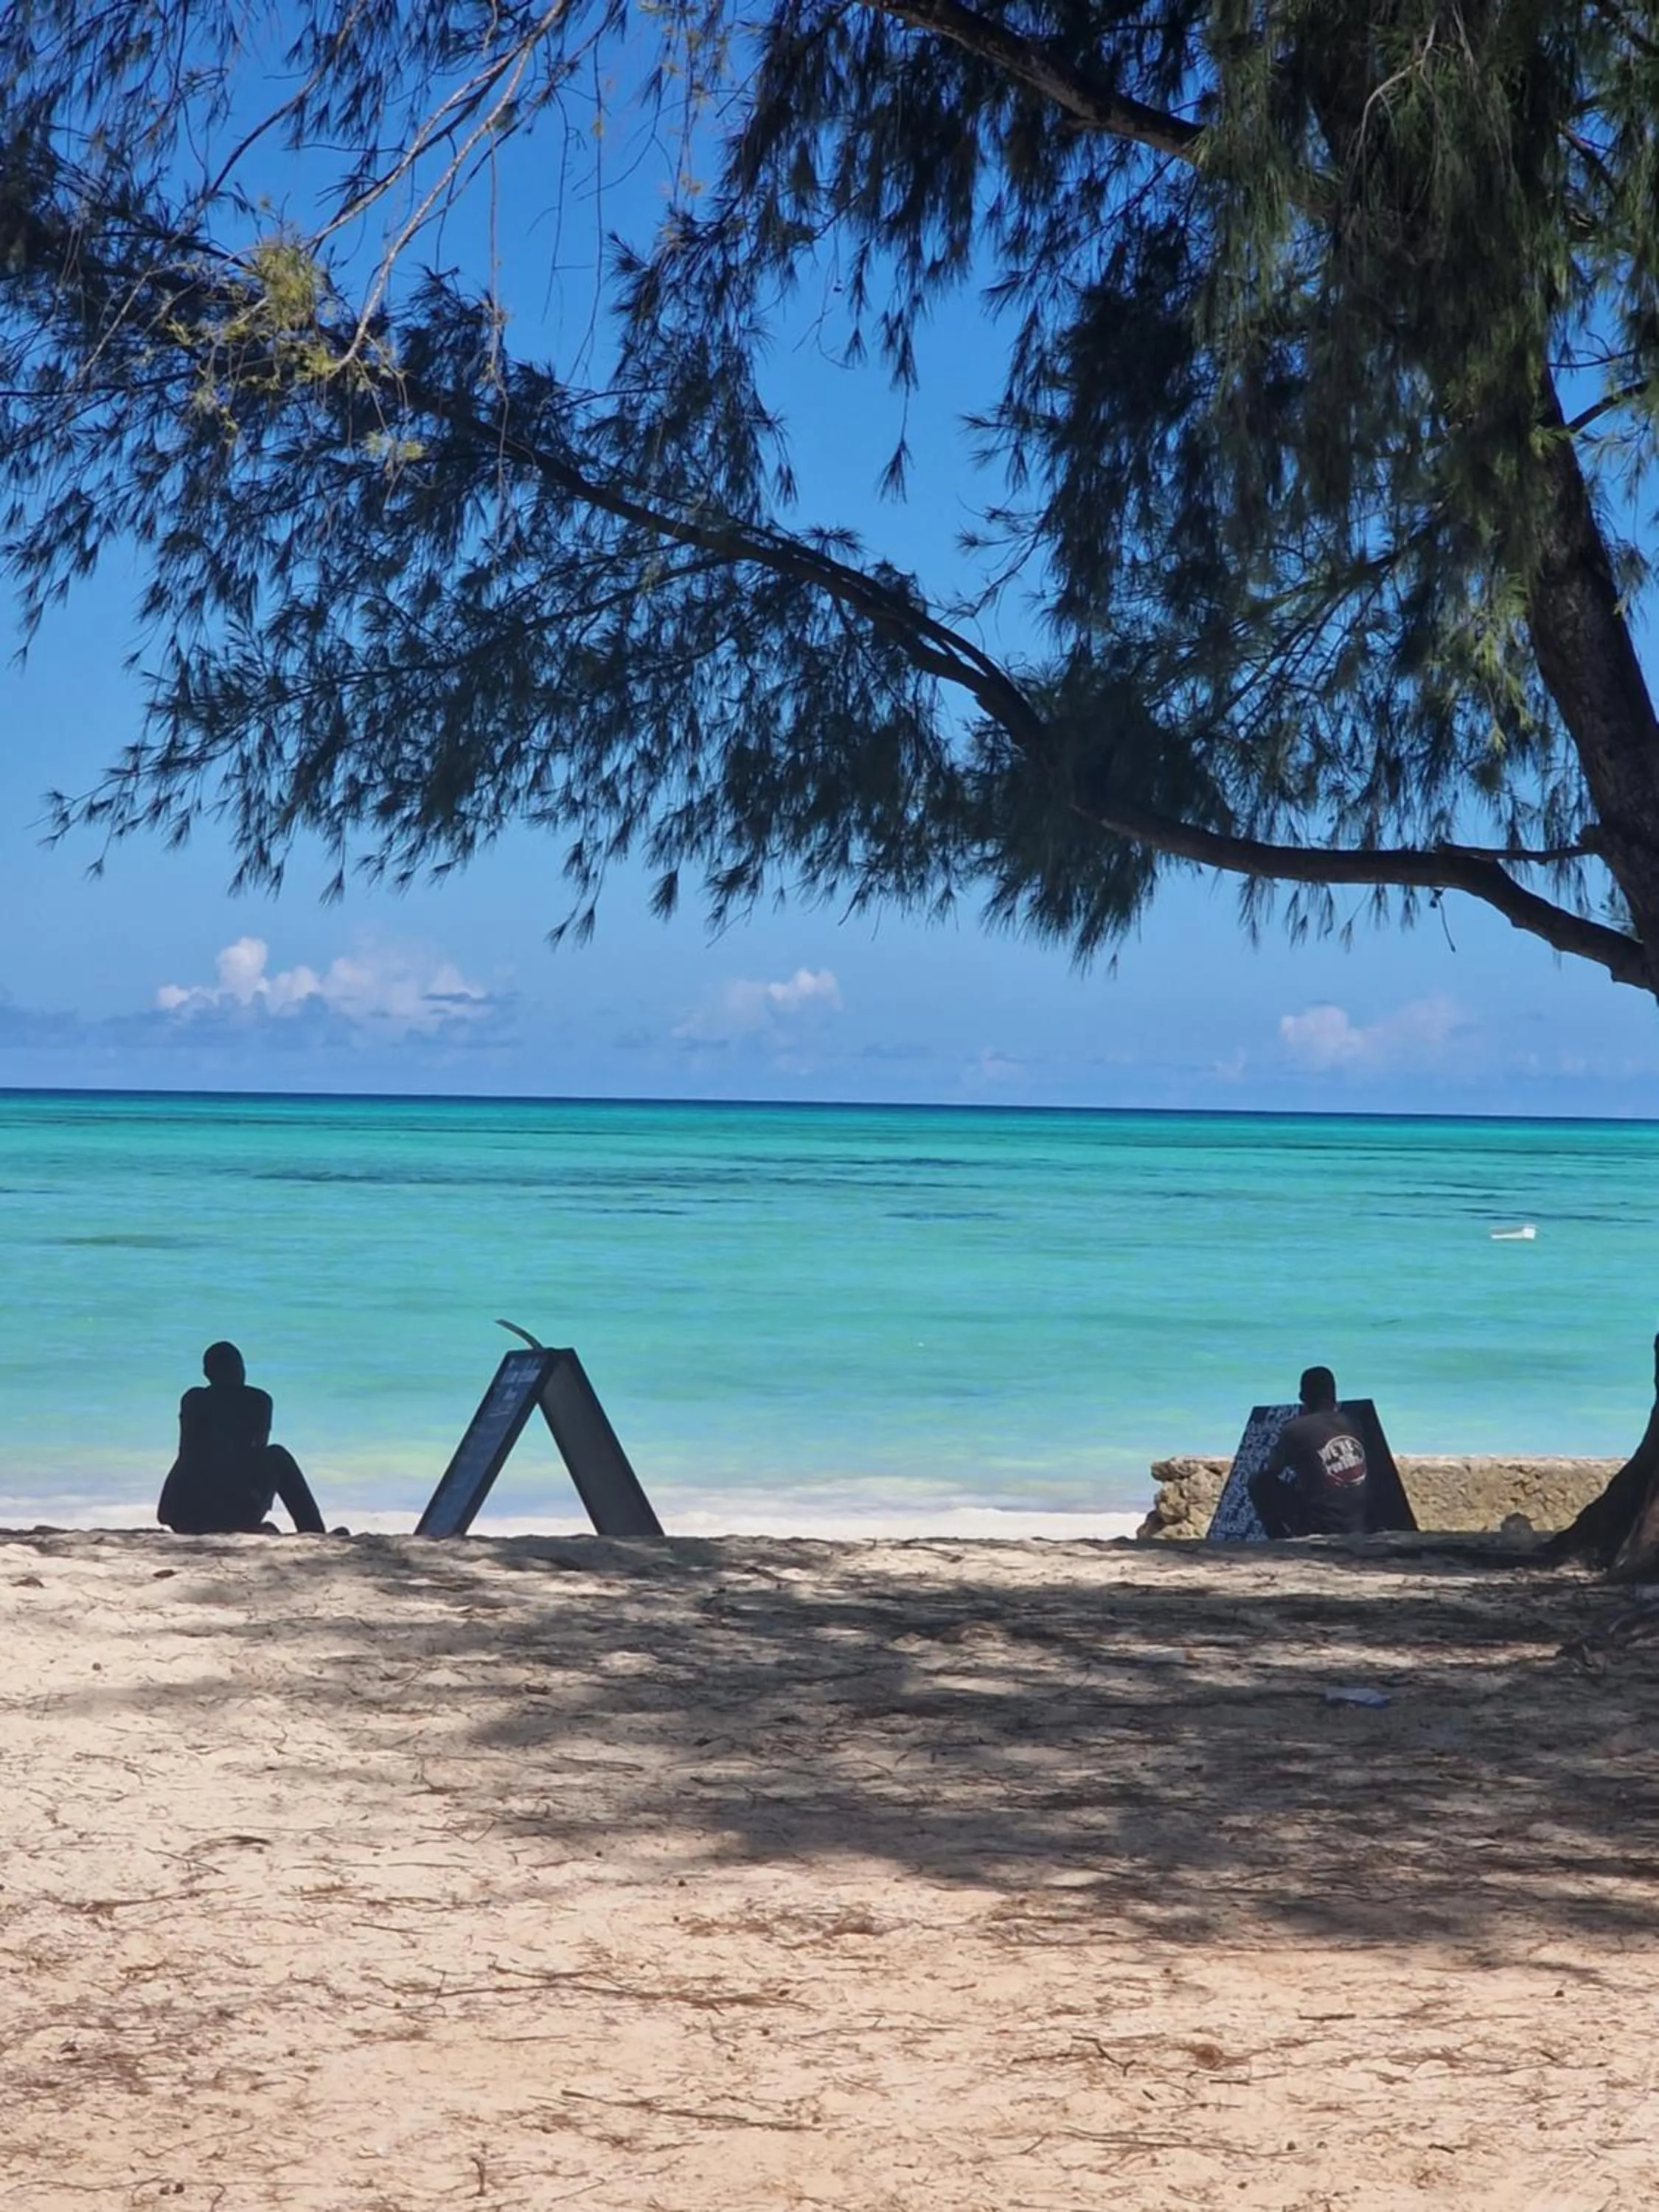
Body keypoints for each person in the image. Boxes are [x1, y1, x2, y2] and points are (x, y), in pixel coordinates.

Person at [157, 1341, 326, 1534]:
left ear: (207, 1373)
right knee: (278, 1455)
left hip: (183, 1513)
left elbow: (189, 1451)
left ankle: (250, 1526)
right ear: (240, 1369)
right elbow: (256, 1453)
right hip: (233, 1511)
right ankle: (314, 1530)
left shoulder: (193, 1400)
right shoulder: (258, 1401)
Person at [1248, 1366, 1371, 1539]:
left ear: (1303, 1397)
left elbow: (1271, 1472)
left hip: (1322, 1525)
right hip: (1358, 1523)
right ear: (1334, 1395)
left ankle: (1278, 1540)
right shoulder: (1353, 1423)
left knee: (1258, 1482)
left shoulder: (1295, 1429)